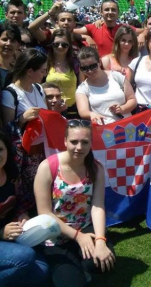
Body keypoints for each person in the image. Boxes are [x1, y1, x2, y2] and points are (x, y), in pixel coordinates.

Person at [34, 120, 115, 286]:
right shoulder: (48, 167)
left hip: (85, 227)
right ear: (65, 141)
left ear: (91, 143)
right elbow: (45, 214)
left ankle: (82, 264)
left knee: (102, 263)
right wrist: (78, 237)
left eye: (85, 142)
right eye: (74, 142)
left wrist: (100, 240)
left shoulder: (96, 168)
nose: (79, 147)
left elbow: (98, 206)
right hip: (54, 233)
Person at [1, 48, 48, 216]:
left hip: (42, 151)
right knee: (26, 197)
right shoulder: (11, 94)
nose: (44, 74)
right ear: (30, 71)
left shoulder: (38, 88)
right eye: (42, 70)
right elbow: (7, 131)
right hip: (24, 157)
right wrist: (22, 119)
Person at [0, 130, 49, 286]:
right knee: (25, 256)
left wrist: (22, 213)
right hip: (3, 237)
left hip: (13, 238)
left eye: (0, 149)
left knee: (42, 269)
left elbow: (22, 201)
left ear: (7, 150)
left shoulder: (12, 174)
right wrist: (1, 233)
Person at [76, 47, 136, 125]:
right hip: (104, 132)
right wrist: (91, 114)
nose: (90, 71)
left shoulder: (116, 76)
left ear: (100, 62)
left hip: (127, 128)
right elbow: (83, 111)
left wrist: (122, 109)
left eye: (93, 66)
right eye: (84, 68)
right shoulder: (82, 89)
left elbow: (132, 100)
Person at [45, 29, 81, 119]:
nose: (60, 47)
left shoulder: (76, 63)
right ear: (51, 45)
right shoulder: (45, 63)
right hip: (50, 109)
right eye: (56, 44)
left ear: (69, 46)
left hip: (72, 110)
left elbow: (81, 86)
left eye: (64, 45)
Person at [0, 21, 22, 88]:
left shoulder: (18, 72)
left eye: (12, 41)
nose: (8, 43)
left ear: (18, 45)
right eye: (5, 39)